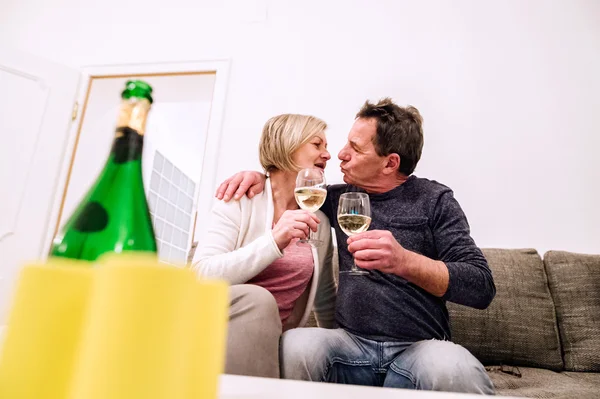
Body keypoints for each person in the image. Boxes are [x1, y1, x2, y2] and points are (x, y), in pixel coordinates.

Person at [214, 98, 496, 394]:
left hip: (417, 350)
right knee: (296, 345)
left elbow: (480, 286)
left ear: (390, 163)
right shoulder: (332, 198)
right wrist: (260, 175)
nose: (340, 154)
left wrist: (404, 261)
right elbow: (289, 187)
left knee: (454, 368)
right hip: (348, 347)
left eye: (356, 148)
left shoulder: (435, 200)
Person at [191, 113, 337, 379]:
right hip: (216, 327)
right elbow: (201, 274)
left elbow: (325, 300)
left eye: (326, 147)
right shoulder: (239, 199)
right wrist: (274, 241)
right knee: (258, 298)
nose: (327, 154)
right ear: (287, 145)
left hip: (276, 340)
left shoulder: (321, 222)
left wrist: (345, 350)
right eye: (317, 145)